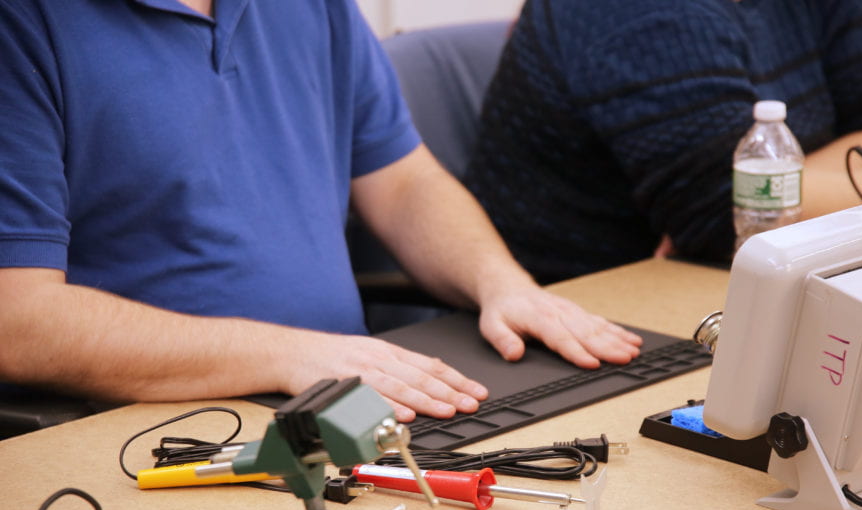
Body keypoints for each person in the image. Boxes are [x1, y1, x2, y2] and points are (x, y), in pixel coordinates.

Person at [0, 0, 643, 424]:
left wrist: (502, 283)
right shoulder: (23, 22)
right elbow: (18, 321)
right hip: (149, 429)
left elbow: (404, 182)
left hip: (343, 398)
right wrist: (288, 355)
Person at [464, 0, 862, 284]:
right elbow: (727, 225)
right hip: (596, 307)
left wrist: (774, 190)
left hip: (752, 279)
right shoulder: (632, 12)